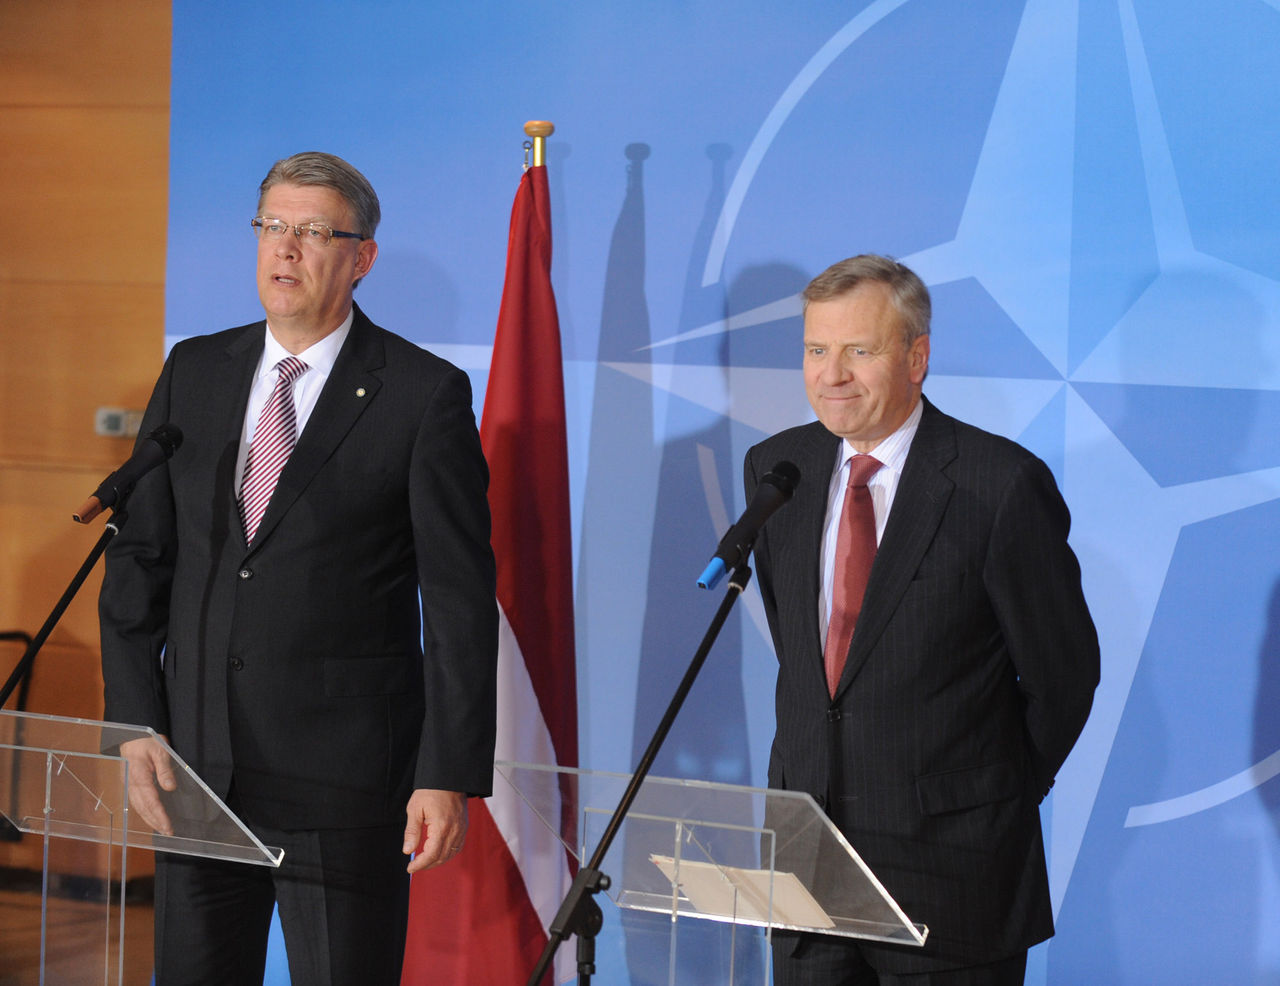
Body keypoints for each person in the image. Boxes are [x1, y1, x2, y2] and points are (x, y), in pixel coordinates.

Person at [98, 151, 498, 986]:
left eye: (313, 232)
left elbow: (458, 600)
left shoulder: (421, 394)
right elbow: (140, 560)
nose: (285, 248)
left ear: (361, 258)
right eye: (272, 226)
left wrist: (445, 773)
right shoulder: (195, 371)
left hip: (343, 782)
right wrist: (134, 722)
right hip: (196, 768)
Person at [746, 254, 1099, 985]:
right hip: (807, 866)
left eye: (859, 351)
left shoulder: (997, 484)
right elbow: (805, 657)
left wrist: (993, 794)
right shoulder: (778, 471)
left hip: (952, 873)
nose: (832, 374)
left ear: (916, 357)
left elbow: (1064, 677)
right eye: (816, 350)